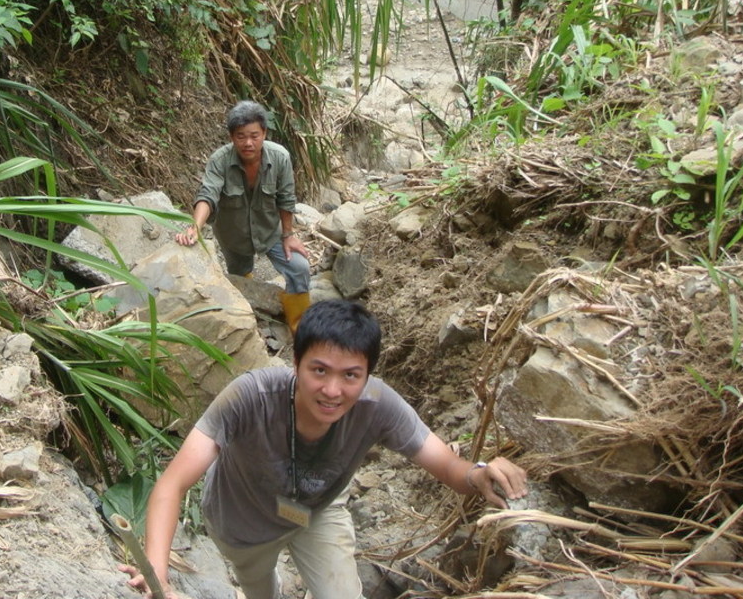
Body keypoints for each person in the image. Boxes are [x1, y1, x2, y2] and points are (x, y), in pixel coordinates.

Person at [120, 299, 529, 599]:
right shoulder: (250, 396)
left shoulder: (378, 404)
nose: (333, 391)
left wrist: (480, 474)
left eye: (351, 375)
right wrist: (156, 569)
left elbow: (446, 466)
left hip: (317, 510)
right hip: (242, 522)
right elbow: (172, 485)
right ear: (295, 363)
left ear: (367, 374)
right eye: (319, 370)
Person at [175, 100, 311, 333]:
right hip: (233, 236)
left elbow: (287, 198)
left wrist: (288, 235)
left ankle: (301, 328)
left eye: (254, 136)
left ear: (264, 133)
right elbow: (208, 194)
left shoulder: (280, 158)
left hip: (271, 232)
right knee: (239, 279)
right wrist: (195, 227)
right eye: (241, 136)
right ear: (231, 137)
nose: (248, 143)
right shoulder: (220, 160)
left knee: (299, 267)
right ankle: (249, 323)